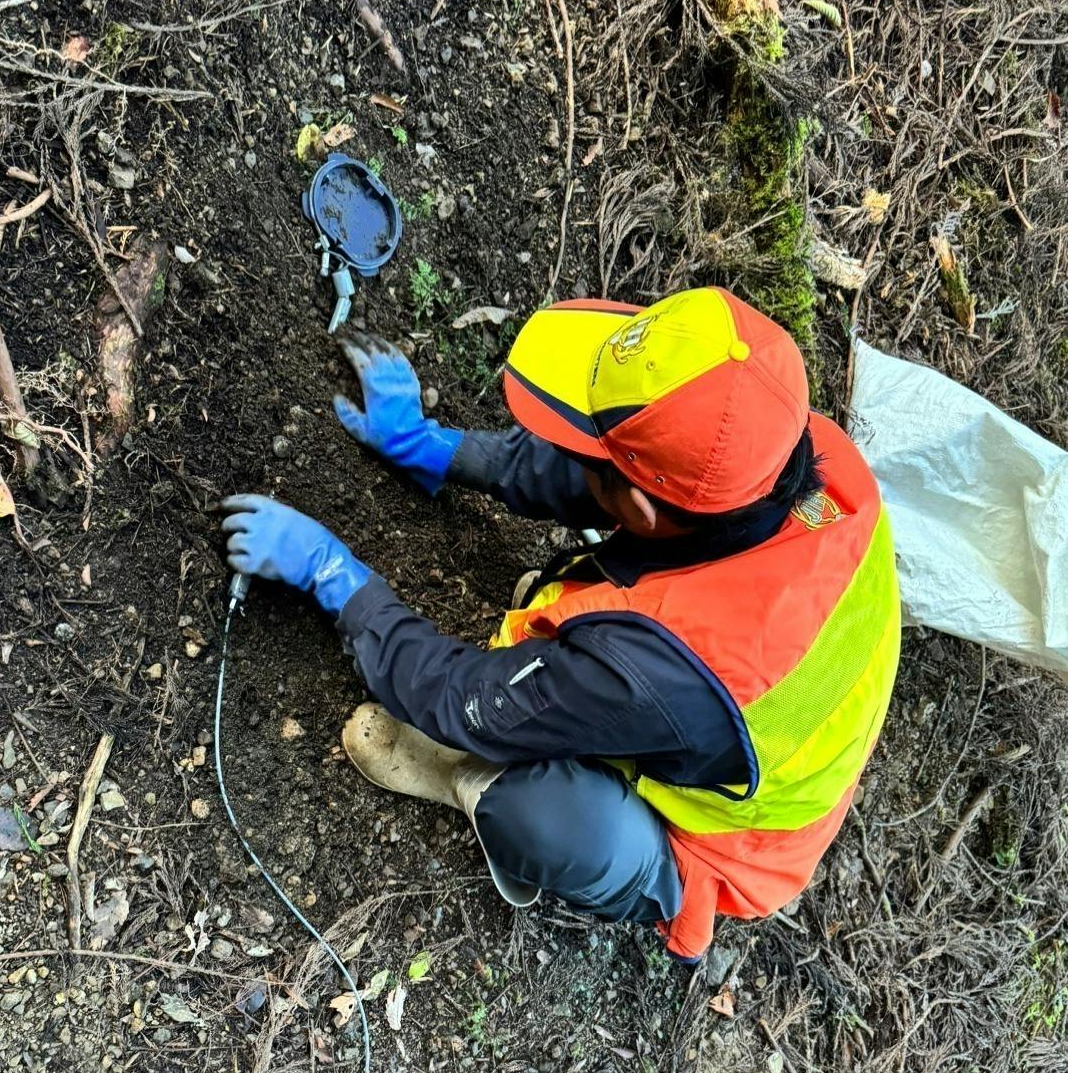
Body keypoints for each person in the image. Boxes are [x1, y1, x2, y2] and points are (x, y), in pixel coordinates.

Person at [221, 287, 901, 961]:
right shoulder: (797, 453)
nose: (580, 454)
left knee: (545, 819)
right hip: (731, 696)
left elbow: (463, 700)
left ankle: (464, 778)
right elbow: (624, 473)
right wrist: (438, 449)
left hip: (731, 840)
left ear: (639, 508)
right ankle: (569, 663)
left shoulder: (658, 668)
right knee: (604, 623)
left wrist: (333, 576)